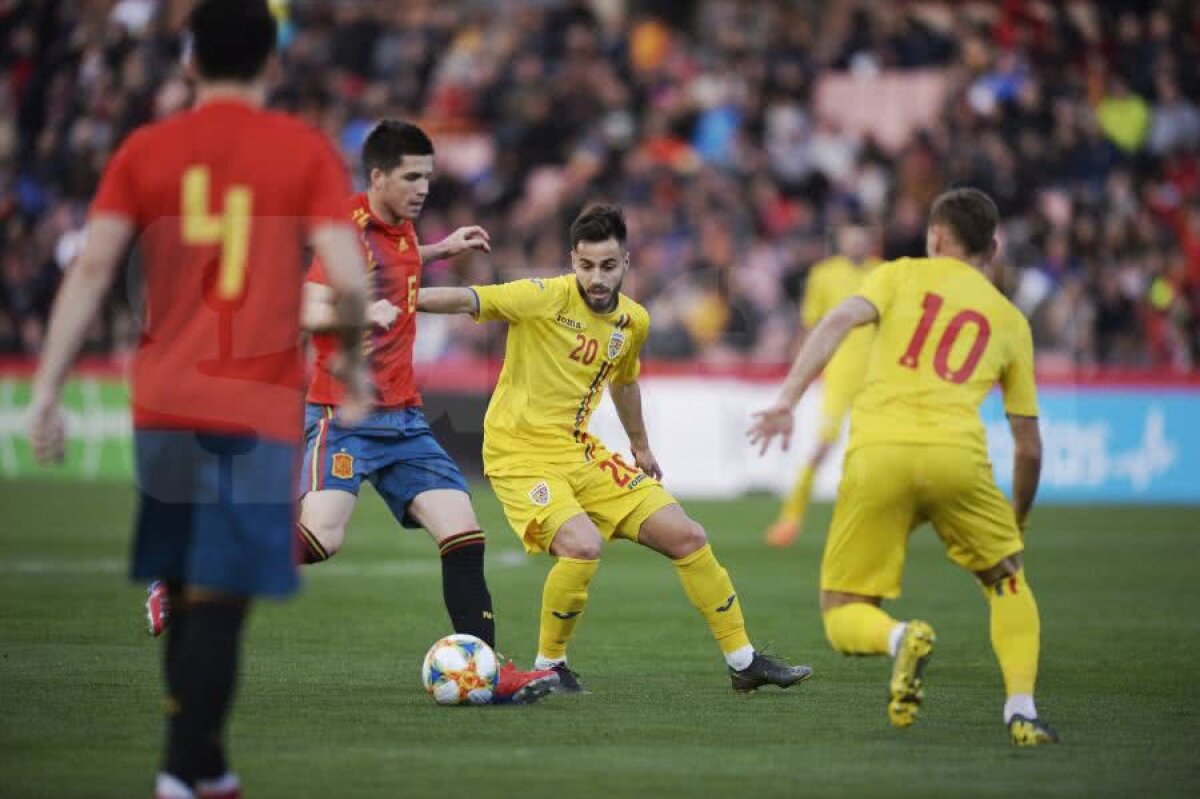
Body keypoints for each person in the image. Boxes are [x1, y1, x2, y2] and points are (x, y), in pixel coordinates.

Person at [24, 2, 372, 798]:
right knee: (217, 597)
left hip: (164, 400)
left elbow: (90, 270)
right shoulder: (303, 150)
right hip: (253, 403)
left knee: (184, 585)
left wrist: (48, 388)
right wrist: (351, 371)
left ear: (189, 61)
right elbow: (350, 279)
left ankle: (206, 770)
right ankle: (182, 772)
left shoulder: (146, 149)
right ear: (271, 64)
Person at [418, 203, 813, 693]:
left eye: (607, 266)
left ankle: (743, 661)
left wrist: (640, 447)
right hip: (518, 453)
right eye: (585, 266)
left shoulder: (633, 322)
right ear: (572, 261)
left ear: (626, 262)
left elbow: (625, 384)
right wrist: (401, 298)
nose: (596, 277)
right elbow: (464, 299)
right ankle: (550, 665)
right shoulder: (540, 296)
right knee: (583, 546)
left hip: (579, 451)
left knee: (687, 535)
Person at [748, 188, 1058, 746]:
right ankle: (1022, 711)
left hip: (878, 454)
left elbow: (838, 320)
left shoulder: (900, 275)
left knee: (842, 610)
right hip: (957, 458)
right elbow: (1029, 445)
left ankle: (900, 638)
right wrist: (1020, 523)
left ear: (937, 236)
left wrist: (787, 400)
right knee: (1007, 582)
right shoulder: (1010, 319)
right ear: (992, 247)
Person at [294, 119, 558, 704]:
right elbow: (308, 309)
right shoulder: (348, 230)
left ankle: (486, 672)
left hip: (405, 421)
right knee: (320, 539)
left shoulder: (405, 227)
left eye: (428, 177)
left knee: (463, 532)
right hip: (346, 416)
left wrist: (442, 249)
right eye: (411, 177)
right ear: (378, 177)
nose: (422, 188)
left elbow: (400, 266)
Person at [765, 224, 880, 547]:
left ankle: (870, 523)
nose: (856, 242)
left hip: (877, 377)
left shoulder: (883, 272)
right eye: (851, 236)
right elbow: (810, 325)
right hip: (840, 373)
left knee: (872, 454)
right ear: (841, 240)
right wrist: (798, 369)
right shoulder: (824, 275)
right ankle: (790, 517)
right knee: (823, 447)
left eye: (862, 236)